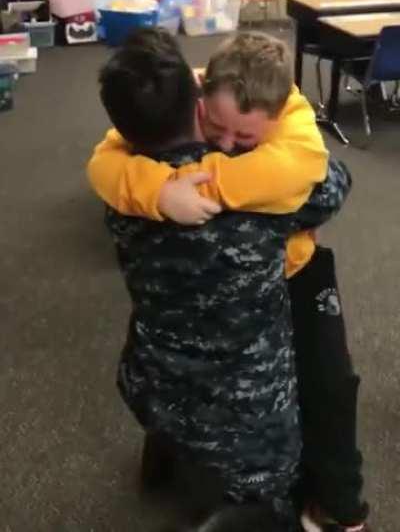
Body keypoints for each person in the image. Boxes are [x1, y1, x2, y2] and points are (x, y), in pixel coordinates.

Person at [87, 29, 369, 532]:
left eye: (241, 136)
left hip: (152, 375)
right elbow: (333, 183)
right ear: (197, 97)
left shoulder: (122, 190)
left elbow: (102, 160)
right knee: (324, 385)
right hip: (246, 391)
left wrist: (157, 186)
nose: (227, 144)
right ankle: (293, 506)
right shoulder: (268, 189)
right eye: (218, 127)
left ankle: (169, 448)